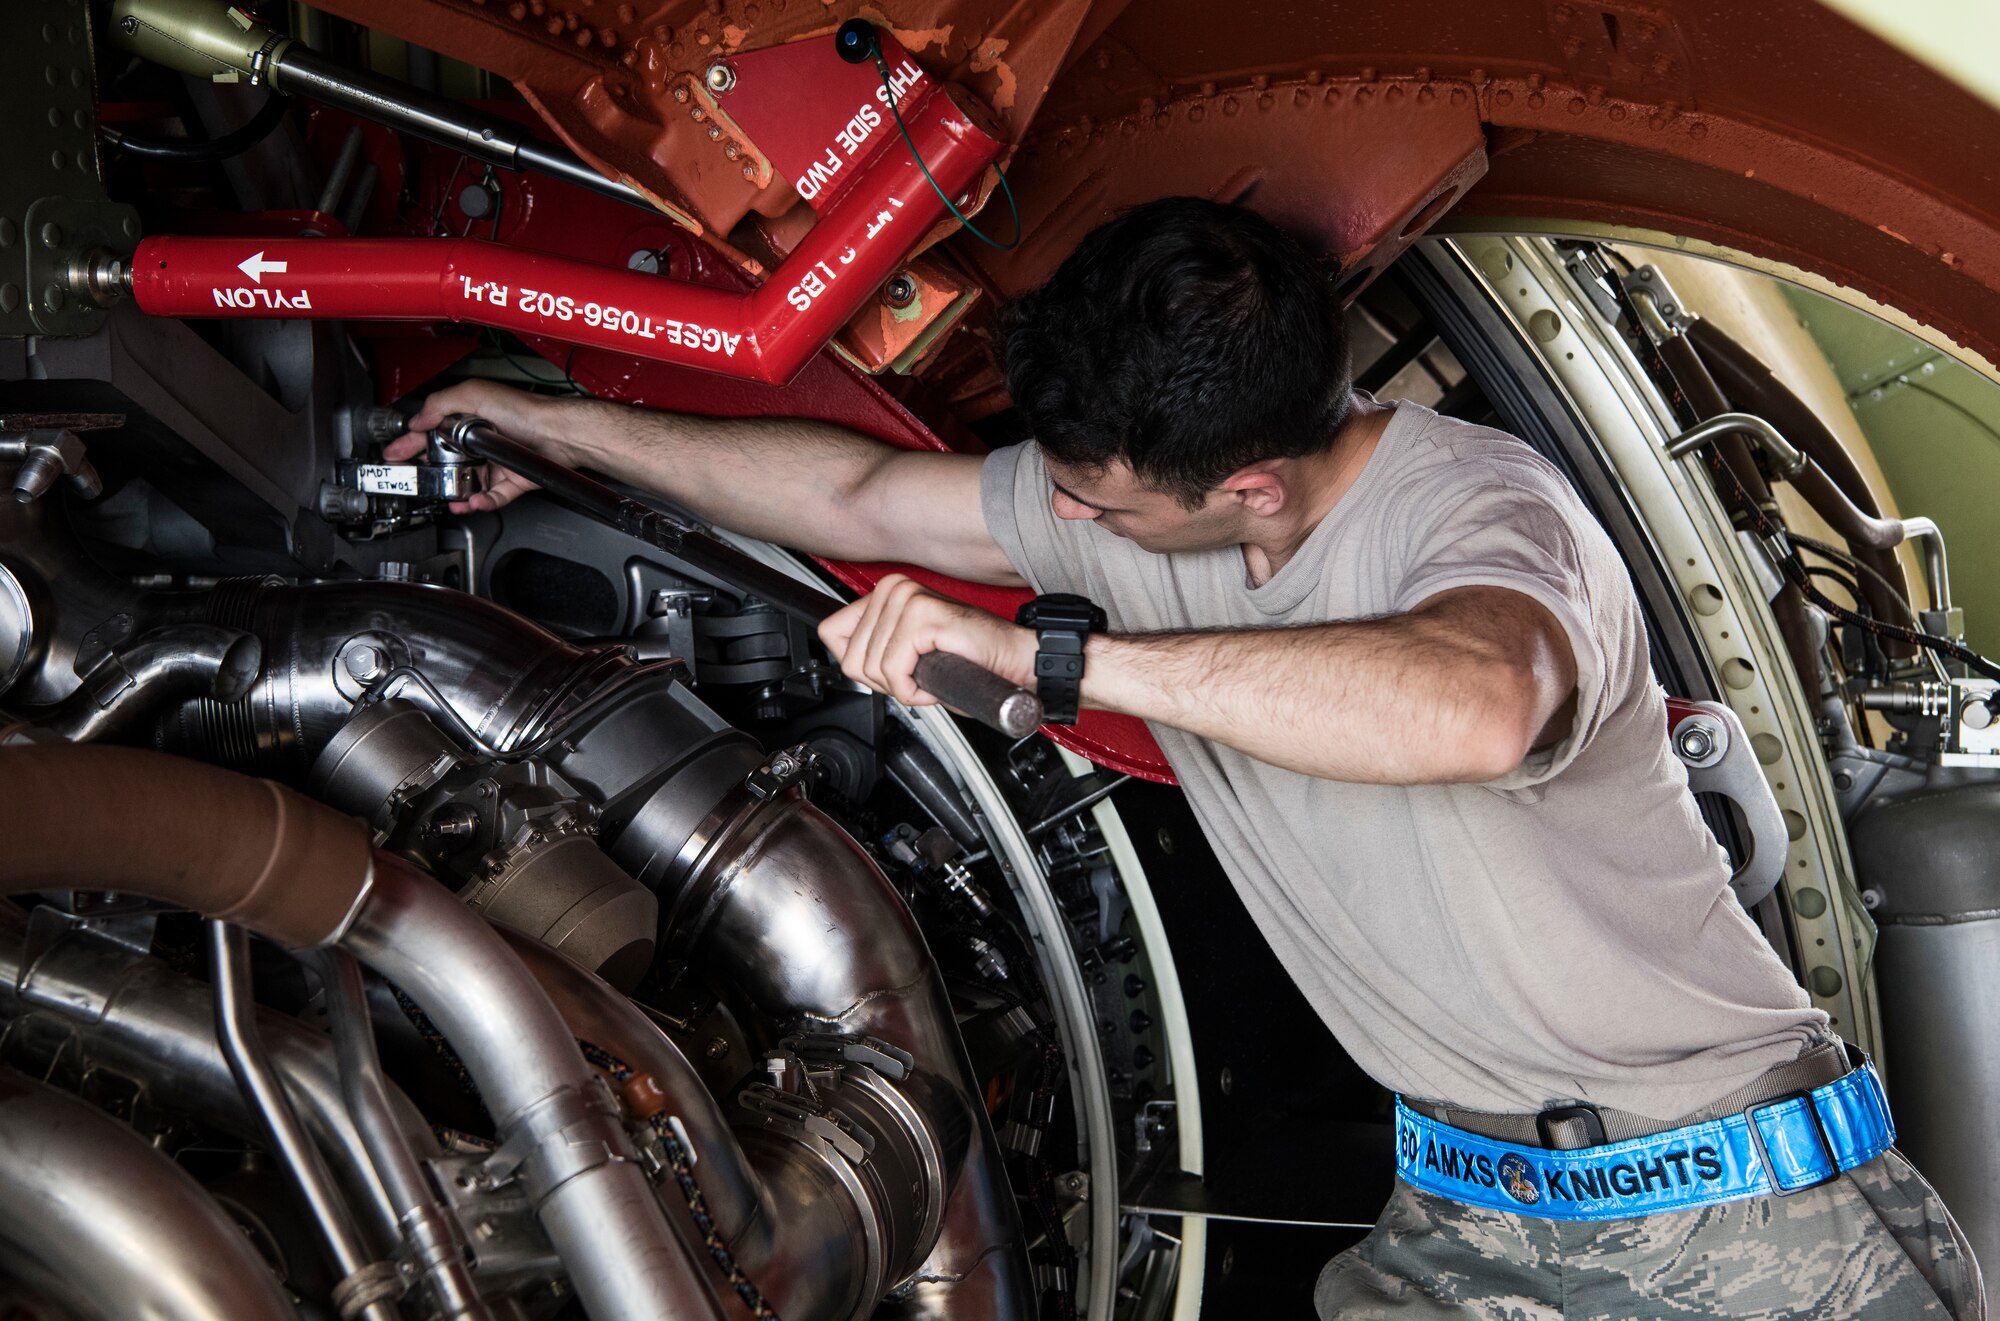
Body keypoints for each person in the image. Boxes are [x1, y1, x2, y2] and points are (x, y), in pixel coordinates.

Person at [391, 197, 1983, 1319]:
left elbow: (1482, 701)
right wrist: (553, 426)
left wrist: (1051, 651)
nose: (1062, 524)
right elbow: (865, 500)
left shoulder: (1486, 515)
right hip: (1467, 1227)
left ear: (1255, 489)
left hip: (1748, 1229)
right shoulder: (1153, 496)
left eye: (1103, 509)